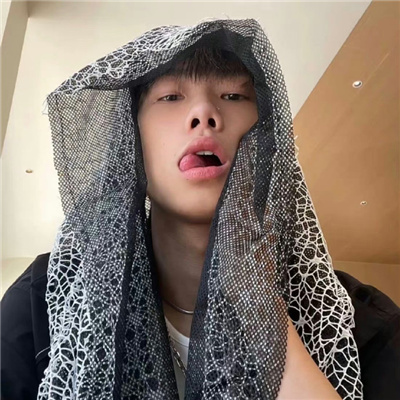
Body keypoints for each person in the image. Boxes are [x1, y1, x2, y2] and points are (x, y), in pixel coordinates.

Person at [1, 18, 399, 400]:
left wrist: (257, 300)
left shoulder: (361, 323)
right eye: (171, 97)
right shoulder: (44, 300)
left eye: (234, 96)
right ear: (130, 142)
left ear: (267, 140)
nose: (204, 114)